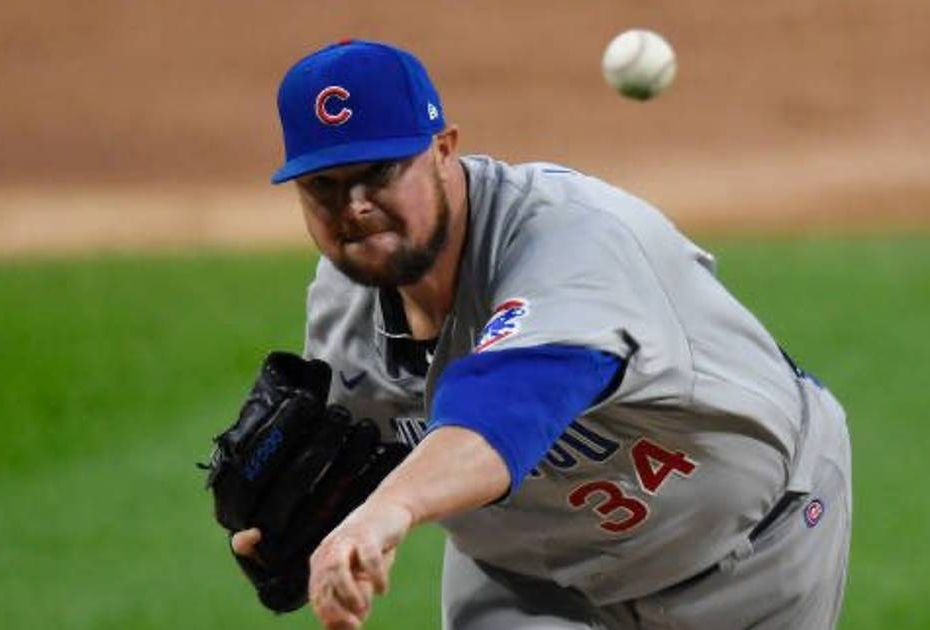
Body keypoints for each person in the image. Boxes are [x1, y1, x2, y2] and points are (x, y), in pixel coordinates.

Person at [230, 39, 852, 629]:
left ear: (444, 150)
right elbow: (351, 455)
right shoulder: (343, 303)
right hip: (526, 579)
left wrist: (388, 511)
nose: (356, 205)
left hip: (749, 557)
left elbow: (506, 404)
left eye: (380, 172)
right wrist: (317, 534)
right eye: (324, 185)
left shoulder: (572, 241)